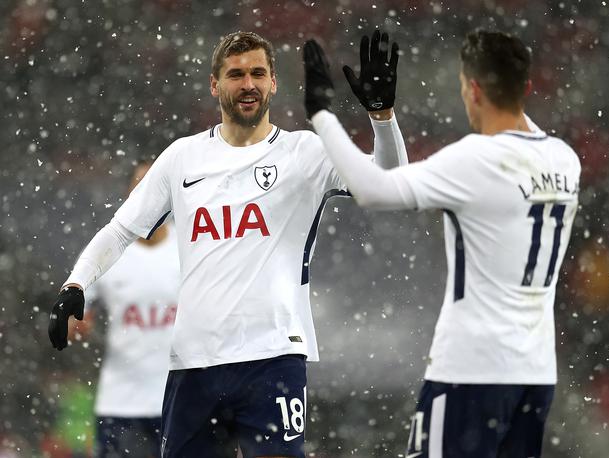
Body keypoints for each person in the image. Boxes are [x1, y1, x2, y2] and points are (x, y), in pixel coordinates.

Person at [48, 30, 407, 458]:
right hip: (194, 365)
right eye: (236, 74)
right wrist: (76, 284)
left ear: (274, 81)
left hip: (273, 358)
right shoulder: (183, 157)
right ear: (214, 84)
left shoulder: (304, 153)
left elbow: (390, 184)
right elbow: (121, 229)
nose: (248, 84)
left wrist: (382, 118)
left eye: (258, 73)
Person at [303, 29, 581, 458]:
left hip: (472, 368)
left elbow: (375, 190)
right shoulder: (565, 159)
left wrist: (321, 113)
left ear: (472, 89)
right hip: (536, 371)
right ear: (526, 87)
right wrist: (383, 115)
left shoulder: (477, 160)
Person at [67, 162, 179, 457]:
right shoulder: (107, 249)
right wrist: (75, 325)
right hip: (121, 399)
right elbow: (74, 309)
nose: (149, 195)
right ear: (129, 195)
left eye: (156, 185)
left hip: (180, 397)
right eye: (140, 186)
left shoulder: (190, 245)